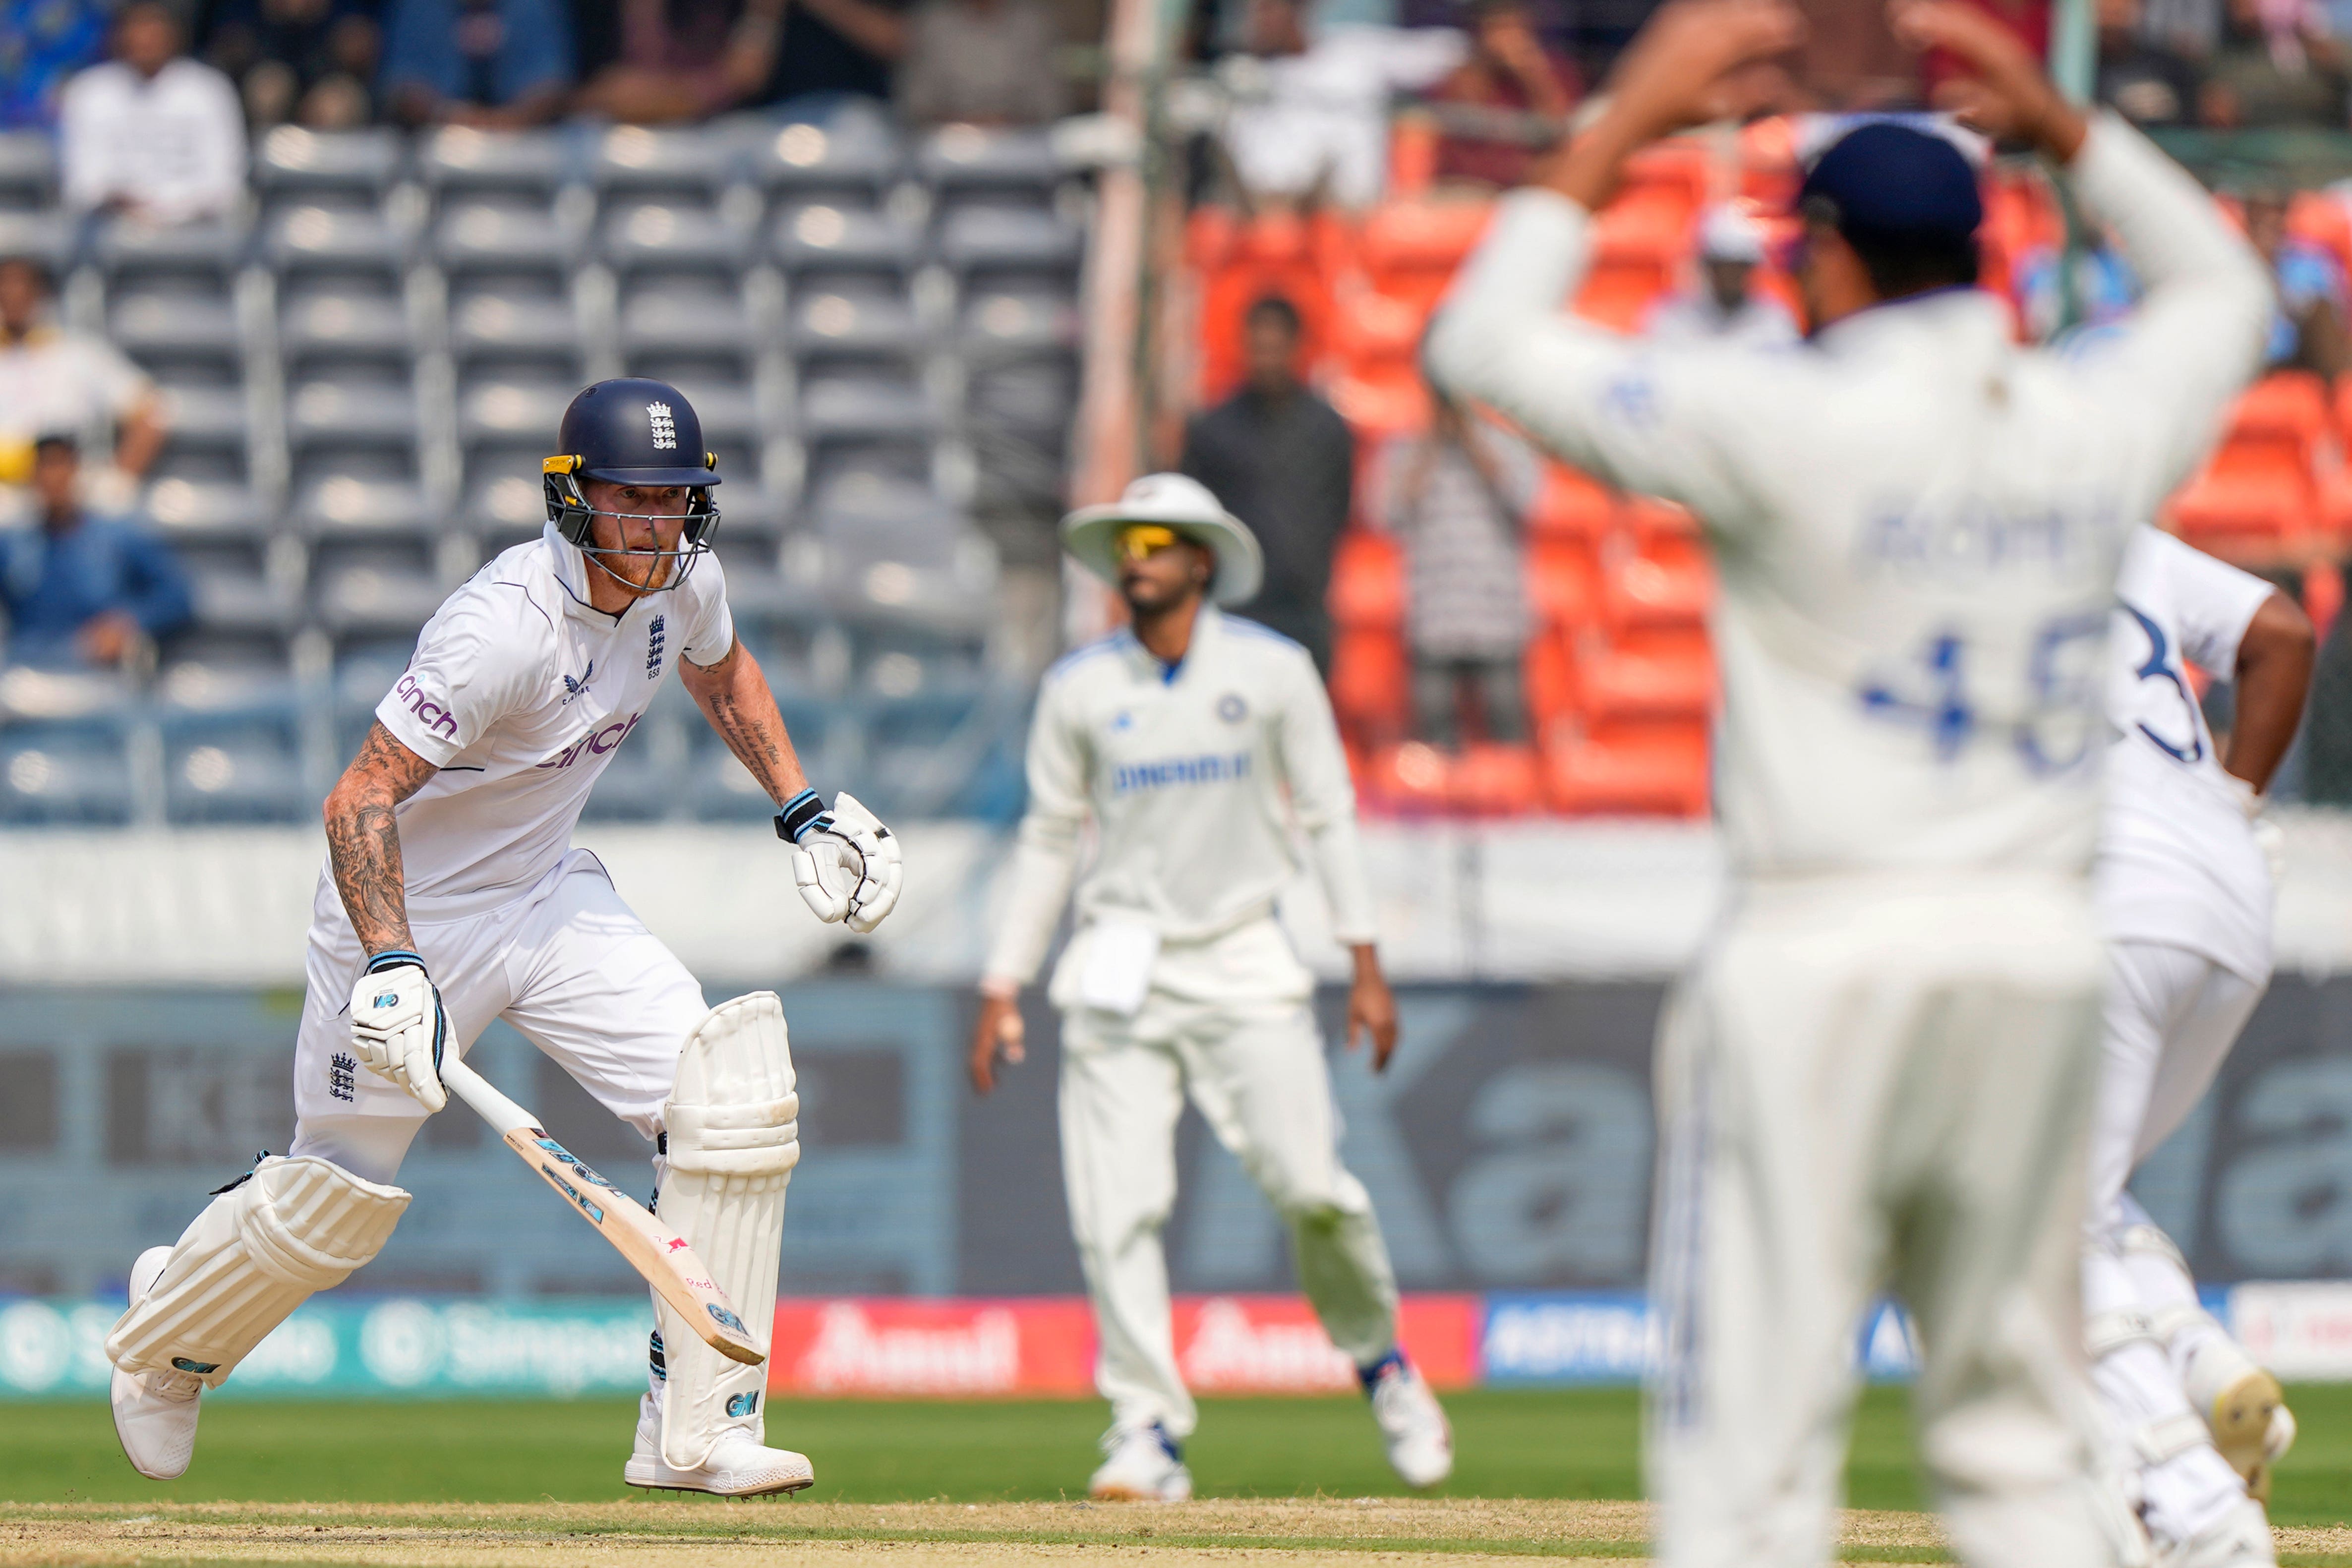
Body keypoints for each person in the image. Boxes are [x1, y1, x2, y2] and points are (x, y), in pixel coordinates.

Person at [1425, 1, 2273, 1565]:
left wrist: (1624, 119)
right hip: (2030, 957)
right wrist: (2073, 130)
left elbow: (1476, 346)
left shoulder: (1776, 417)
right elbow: (2223, 290)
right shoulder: (2090, 426)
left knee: (1749, 1452)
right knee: (2019, 1449)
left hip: (1818, 956)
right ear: (1987, 248)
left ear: (1819, 254)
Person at [102, 379, 904, 1498]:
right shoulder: (501, 629)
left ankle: (697, 1434)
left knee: (726, 1100)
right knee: (335, 1203)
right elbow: (358, 798)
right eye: (632, 499)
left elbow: (721, 673)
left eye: (678, 502)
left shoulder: (686, 580)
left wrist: (799, 803)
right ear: (571, 499)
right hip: (405, 922)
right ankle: (162, 1341)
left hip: (545, 897)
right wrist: (390, 959)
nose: (657, 527)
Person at [967, 471, 1449, 1503]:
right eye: (1125, 544)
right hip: (1119, 962)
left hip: (1243, 956)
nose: (1133, 558)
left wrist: (1363, 960)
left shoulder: (1272, 672)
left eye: (1154, 541)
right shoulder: (1079, 688)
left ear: (1199, 559)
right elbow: (1050, 837)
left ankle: (1382, 1364)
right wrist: (1003, 979)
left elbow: (1325, 812)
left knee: (1313, 1194)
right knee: (1115, 1212)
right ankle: (1145, 1428)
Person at [2079, 525, 2314, 1560]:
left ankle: (2190, 1505)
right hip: (2225, 880)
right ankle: (2203, 1367)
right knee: (2074, 1196)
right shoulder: (2104, 524)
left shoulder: (1913, 528)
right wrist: (2234, 798)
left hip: (2100, 886)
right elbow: (2283, 632)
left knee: (2015, 1212)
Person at [1179, 296, 1353, 674]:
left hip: (1305, 609)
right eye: (1258, 349)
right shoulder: (1215, 430)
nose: (1266, 360)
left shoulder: (1325, 429)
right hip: (1237, 610)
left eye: (1275, 349)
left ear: (1296, 347)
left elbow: (1340, 505)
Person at [1372, 387, 1536, 749]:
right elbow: (1384, 515)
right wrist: (1429, 449)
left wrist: (1473, 442)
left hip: (1496, 615)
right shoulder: (1406, 448)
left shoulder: (1506, 444)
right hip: (1434, 615)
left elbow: (1528, 502)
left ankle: (1513, 807)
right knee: (1434, 742)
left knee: (1508, 737)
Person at [1217, 0, 1465, 210]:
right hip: (1278, 217)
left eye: (1267, 9)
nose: (1256, 22)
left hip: (1356, 214)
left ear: (1298, 9)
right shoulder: (1242, 78)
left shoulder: (1355, 52)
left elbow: (1450, 53)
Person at [0, 434, 190, 669]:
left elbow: (177, 595)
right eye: (45, 467)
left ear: (77, 472)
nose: (54, 478)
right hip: (27, 672)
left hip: (97, 673)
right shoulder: (13, 543)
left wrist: (128, 623)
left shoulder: (118, 537)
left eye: (61, 465)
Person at [58, 1, 246, 227]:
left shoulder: (209, 90)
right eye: (137, 27)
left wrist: (167, 212)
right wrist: (127, 206)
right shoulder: (89, 91)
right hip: (113, 234)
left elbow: (225, 182)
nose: (145, 38)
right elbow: (83, 184)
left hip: (195, 235)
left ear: (175, 33)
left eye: (154, 26)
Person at [0, 257, 166, 505]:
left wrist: (118, 482)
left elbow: (151, 414)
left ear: (40, 294)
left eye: (21, 289)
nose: (12, 299)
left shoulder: (78, 353)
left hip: (72, 505)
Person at [1424, 0, 1578, 191]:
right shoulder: (1458, 77)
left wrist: (1532, 74)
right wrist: (1485, 67)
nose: (1508, 39)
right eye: (1498, 30)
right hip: (1471, 190)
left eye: (1514, 28)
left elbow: (1564, 129)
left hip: (1533, 190)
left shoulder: (1554, 71)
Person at [378, 0, 574, 128]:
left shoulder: (530, 6)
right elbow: (404, 88)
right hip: (436, 151)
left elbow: (551, 86)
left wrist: (509, 120)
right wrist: (453, 118)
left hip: (522, 149)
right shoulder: (422, 7)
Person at [200, 0, 382, 130]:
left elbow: (362, 41)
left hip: (329, 74)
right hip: (266, 64)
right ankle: (261, 176)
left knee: (335, 107)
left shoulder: (348, 8)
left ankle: (330, 180)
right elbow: (226, 42)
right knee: (267, 93)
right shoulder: (246, 9)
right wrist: (277, 14)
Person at [1644, 204, 1801, 347]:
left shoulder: (1774, 322)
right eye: (1722, 265)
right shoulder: (1672, 319)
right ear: (1707, 266)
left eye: (1739, 266)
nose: (1731, 275)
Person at [895, 0, 1069, 126]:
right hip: (946, 150)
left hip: (1022, 146)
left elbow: (1051, 105)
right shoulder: (933, 23)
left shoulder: (1034, 23)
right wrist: (967, 123)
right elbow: (916, 107)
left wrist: (1004, 122)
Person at [2241, 189, 2347, 377]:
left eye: (2277, 211)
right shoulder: (2231, 262)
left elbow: (2325, 323)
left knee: (2319, 309)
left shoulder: (2308, 262)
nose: (2268, 219)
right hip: (2251, 355)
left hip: (2300, 357)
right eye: (2259, 212)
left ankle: (2340, 387)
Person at [2096, 0, 2202, 127]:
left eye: (2118, 13)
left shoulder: (2170, 66)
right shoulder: (2082, 72)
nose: (2113, 23)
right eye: (2106, 12)